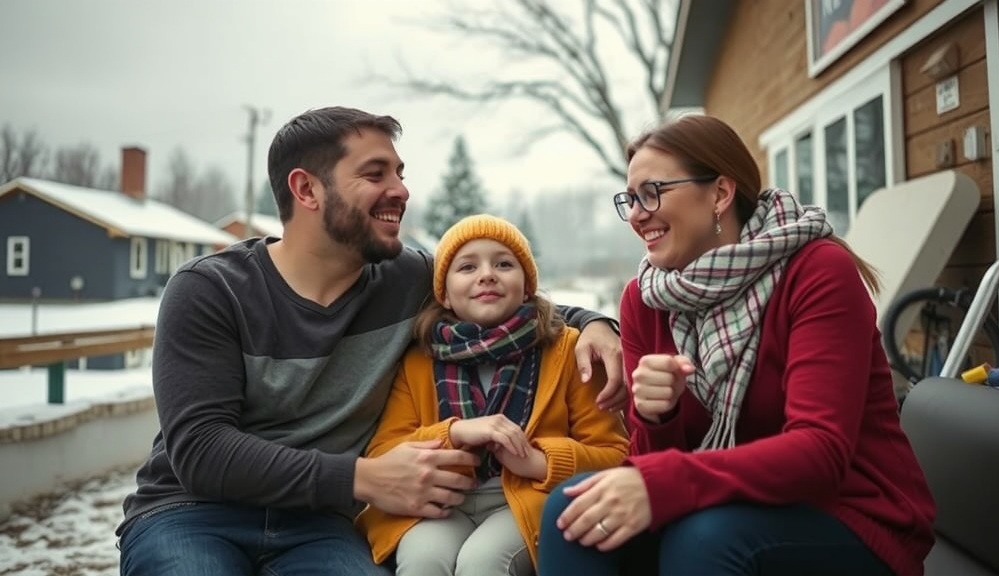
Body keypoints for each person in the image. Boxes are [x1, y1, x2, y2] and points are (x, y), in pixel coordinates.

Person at [115, 106, 626, 576]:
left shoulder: (406, 280)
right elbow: (201, 451)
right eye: (375, 174)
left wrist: (600, 323)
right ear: (308, 190)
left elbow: (509, 302)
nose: (401, 190)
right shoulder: (211, 289)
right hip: (190, 512)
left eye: (400, 174)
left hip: (320, 524)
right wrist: (364, 478)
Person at [537, 114, 936, 576]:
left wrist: (666, 483)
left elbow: (820, 453)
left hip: (851, 513)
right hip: (717, 502)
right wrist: (657, 416)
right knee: (572, 513)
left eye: (652, 193)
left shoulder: (816, 270)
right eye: (629, 199)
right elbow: (649, 460)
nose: (636, 214)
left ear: (720, 195)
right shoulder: (645, 299)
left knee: (704, 537)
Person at [355, 214, 629, 576]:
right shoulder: (419, 358)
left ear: (528, 286)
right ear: (445, 295)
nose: (487, 274)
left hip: (523, 499)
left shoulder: (569, 350)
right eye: (467, 267)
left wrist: (538, 460)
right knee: (423, 559)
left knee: (483, 563)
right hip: (442, 500)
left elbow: (614, 454)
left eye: (504, 263)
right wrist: (453, 433)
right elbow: (384, 452)